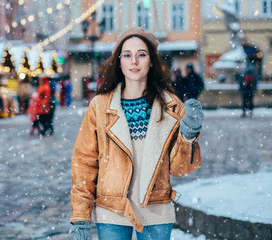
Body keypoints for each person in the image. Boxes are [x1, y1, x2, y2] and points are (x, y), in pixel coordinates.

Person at [70, 27, 204, 240]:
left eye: (141, 54)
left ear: (151, 61)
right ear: (119, 62)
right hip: (111, 210)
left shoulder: (171, 106)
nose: (134, 61)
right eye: (127, 55)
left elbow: (179, 168)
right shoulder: (100, 107)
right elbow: (84, 163)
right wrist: (81, 216)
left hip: (156, 210)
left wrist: (188, 135)